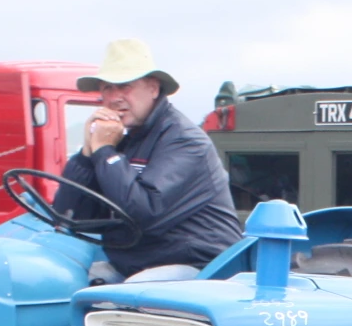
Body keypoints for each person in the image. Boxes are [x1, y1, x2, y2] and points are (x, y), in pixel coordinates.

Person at [55, 39, 244, 280]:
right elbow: (70, 215)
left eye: (124, 86)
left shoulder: (184, 140)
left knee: (132, 293)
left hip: (202, 267)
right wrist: (87, 154)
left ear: (153, 88)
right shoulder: (121, 140)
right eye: (106, 88)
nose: (114, 98)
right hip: (137, 263)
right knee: (72, 280)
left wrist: (104, 152)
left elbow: (143, 212)